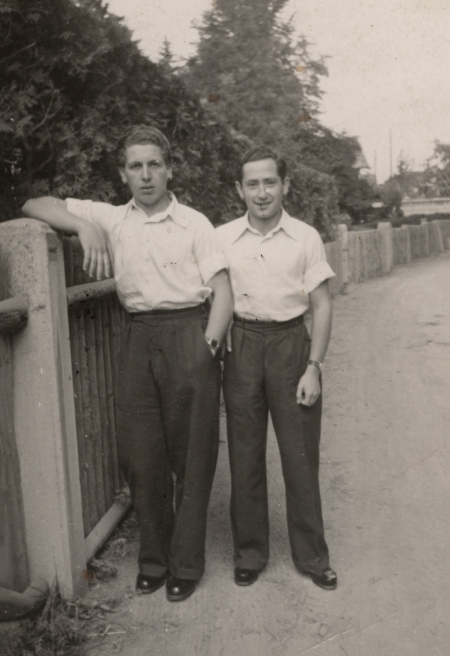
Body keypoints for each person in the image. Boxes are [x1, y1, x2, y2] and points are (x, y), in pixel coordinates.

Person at [23, 125, 234, 602]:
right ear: (123, 174)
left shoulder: (195, 223)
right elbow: (33, 204)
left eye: (154, 164)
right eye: (135, 166)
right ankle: (154, 560)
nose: (145, 175)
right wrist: (83, 224)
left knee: (193, 456)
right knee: (141, 457)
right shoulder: (113, 218)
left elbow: (222, 291)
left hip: (189, 334)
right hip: (138, 336)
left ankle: (186, 563)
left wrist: (208, 345)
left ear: (169, 168)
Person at [216, 145, 337, 590]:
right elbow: (209, 294)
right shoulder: (222, 236)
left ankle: (312, 556)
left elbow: (322, 305)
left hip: (291, 345)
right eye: (252, 184)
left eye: (270, 182)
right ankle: (250, 552)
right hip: (243, 347)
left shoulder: (305, 236)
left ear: (285, 185)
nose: (262, 193)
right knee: (245, 455)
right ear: (239, 189)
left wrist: (314, 366)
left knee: (300, 457)